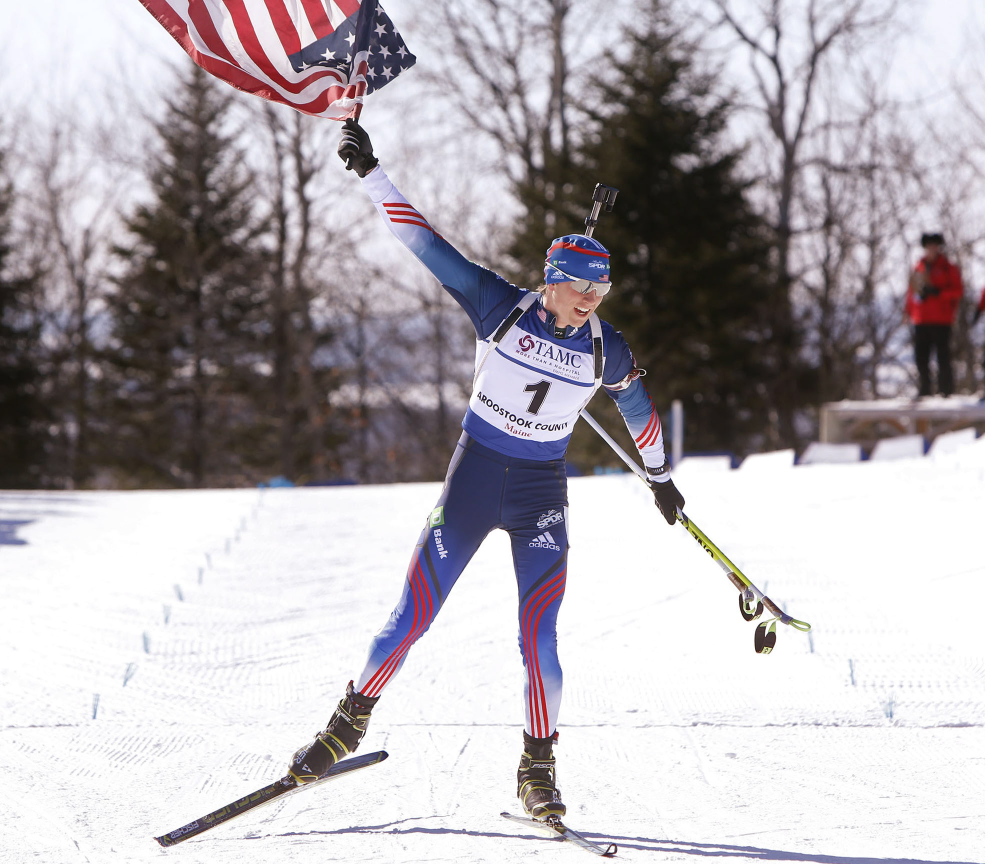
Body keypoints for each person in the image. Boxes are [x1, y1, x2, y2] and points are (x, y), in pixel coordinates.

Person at [288, 120, 685, 822]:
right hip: (472, 483)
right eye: (580, 286)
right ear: (552, 281)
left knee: (542, 637)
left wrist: (660, 476)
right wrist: (371, 171)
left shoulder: (606, 348)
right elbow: (424, 243)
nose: (592, 298)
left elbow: (639, 409)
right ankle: (346, 726)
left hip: (539, 496)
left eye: (603, 287)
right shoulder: (501, 306)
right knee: (410, 618)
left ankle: (538, 765)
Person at [905, 232, 963, 397]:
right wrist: (908, 311)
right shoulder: (918, 267)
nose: (932, 249)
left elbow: (958, 291)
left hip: (942, 319)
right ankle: (924, 391)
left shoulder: (948, 267)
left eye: (935, 245)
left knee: (943, 357)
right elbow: (911, 292)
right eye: (929, 246)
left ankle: (945, 390)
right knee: (921, 357)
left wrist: (939, 293)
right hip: (921, 319)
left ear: (939, 247)